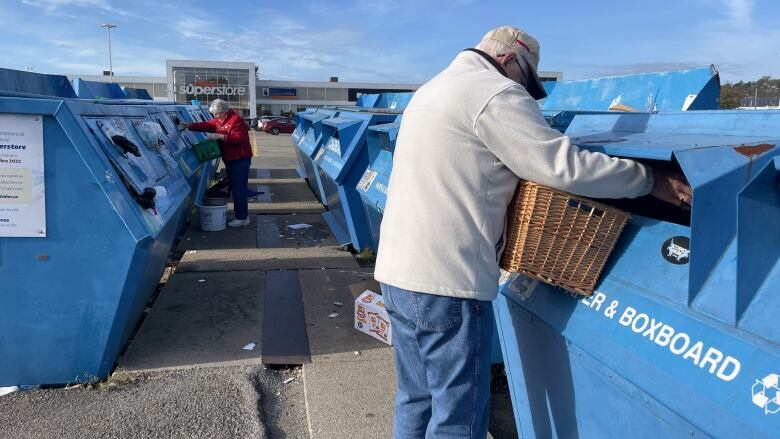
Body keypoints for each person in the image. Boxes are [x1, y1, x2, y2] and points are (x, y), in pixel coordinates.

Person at [374, 26, 692, 439]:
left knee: (416, 400)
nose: (525, 90)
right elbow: (561, 167)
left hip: (397, 273)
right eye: (527, 80)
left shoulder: (432, 89)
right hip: (446, 281)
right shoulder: (495, 93)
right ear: (510, 61)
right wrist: (651, 181)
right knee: (458, 416)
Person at [182, 99, 254, 227]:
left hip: (240, 159)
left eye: (216, 114)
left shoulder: (236, 121)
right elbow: (207, 125)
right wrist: (189, 125)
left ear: (224, 112)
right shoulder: (220, 120)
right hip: (230, 158)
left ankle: (242, 217)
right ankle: (240, 215)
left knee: (239, 188)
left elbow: (239, 139)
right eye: (214, 114)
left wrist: (220, 136)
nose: (215, 117)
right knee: (235, 187)